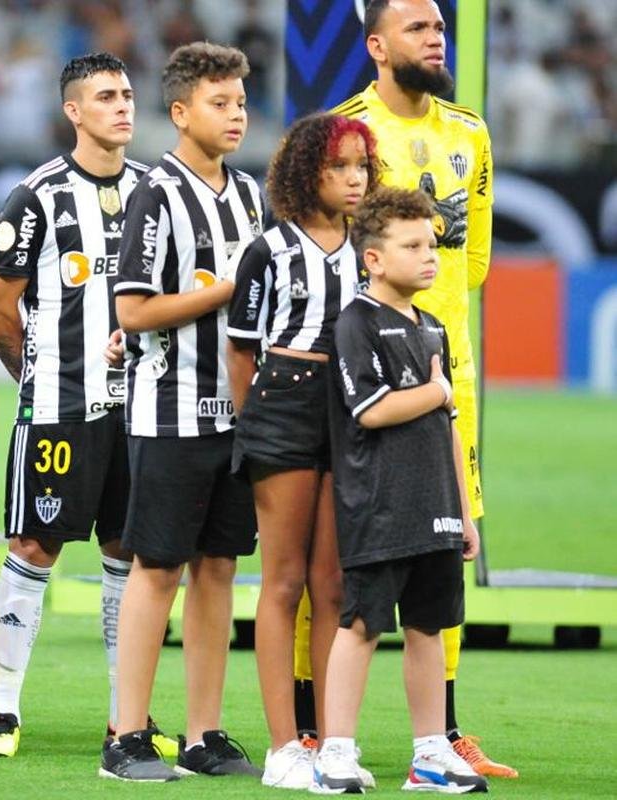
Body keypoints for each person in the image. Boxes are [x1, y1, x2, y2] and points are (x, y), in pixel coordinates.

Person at [328, 0, 513, 777]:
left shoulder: (469, 132)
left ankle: (442, 733)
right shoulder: (346, 132)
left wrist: (441, 355)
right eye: (417, 28)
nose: (435, 39)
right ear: (375, 45)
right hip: (368, 368)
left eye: (439, 28)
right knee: (352, 562)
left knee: (445, 553)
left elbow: (470, 263)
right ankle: (321, 731)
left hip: (447, 378)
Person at [0, 52, 164, 760]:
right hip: (59, 406)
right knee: (33, 546)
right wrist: (37, 379)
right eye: (105, 97)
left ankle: (126, 720)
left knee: (127, 553)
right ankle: (1, 713)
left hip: (140, 412)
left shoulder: (155, 190)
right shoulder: (38, 195)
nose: (122, 107)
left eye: (127, 94)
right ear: (73, 111)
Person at [101, 43, 263, 782]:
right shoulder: (154, 194)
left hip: (237, 417)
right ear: (179, 111)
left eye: (239, 101)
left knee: (219, 569)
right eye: (219, 103)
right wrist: (224, 290)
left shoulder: (251, 195)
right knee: (156, 567)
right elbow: (131, 310)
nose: (235, 115)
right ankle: (125, 736)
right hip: (166, 413)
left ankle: (203, 733)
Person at [312, 186, 486, 794]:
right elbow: (370, 409)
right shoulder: (355, 322)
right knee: (360, 623)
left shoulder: (433, 326)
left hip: (435, 503)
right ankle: (335, 751)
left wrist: (464, 512)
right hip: (379, 505)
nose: (429, 256)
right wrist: (436, 392)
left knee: (429, 627)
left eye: (432, 244)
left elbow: (448, 427)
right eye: (412, 245)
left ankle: (429, 754)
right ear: (374, 259)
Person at [226, 112, 377, 789]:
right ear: (303, 172)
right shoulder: (269, 248)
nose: (353, 179)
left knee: (334, 585)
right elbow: (240, 348)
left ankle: (332, 740)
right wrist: (245, 424)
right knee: (283, 582)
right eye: (337, 167)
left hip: (348, 412)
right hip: (282, 404)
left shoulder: (368, 249)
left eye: (360, 167)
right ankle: (283, 747)